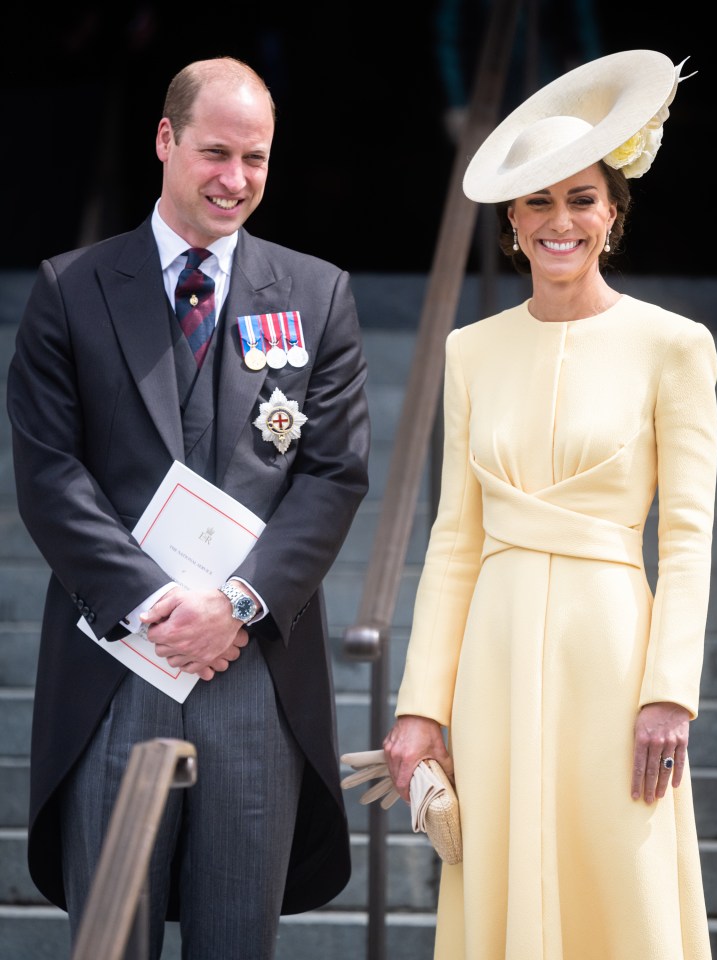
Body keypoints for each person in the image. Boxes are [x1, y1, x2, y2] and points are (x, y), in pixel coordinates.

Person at [7, 55, 370, 960]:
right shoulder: (70, 288)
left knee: (235, 942)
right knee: (112, 936)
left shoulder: (318, 294)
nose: (235, 180)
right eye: (216, 153)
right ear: (165, 140)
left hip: (254, 673)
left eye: (257, 159)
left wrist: (236, 603)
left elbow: (333, 474)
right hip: (117, 662)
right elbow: (50, 472)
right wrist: (155, 607)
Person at [383, 49, 717, 959]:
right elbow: (453, 539)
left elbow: (687, 543)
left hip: (613, 659)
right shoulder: (470, 350)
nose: (559, 221)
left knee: (620, 879)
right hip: (491, 658)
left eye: (581, 198)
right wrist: (421, 706)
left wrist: (669, 696)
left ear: (612, 213)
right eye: (539, 202)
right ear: (511, 221)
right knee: (499, 885)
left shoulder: (674, 346)